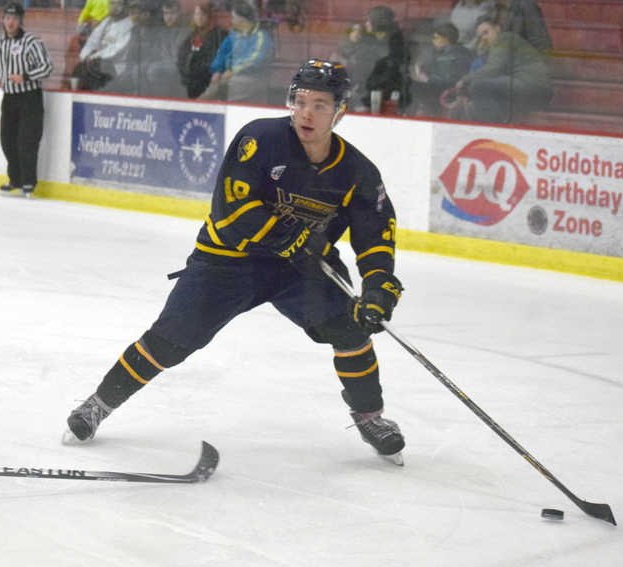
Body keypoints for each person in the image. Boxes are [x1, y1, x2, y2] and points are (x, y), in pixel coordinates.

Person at [64, 59, 407, 464]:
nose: (306, 113)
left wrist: (379, 286)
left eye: (319, 104)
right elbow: (232, 208)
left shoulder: (358, 172)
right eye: (299, 101)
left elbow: (375, 235)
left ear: (340, 111)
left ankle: (371, 417)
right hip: (229, 259)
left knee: (351, 328)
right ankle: (99, 403)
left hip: (301, 268)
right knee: (171, 340)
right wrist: (288, 237)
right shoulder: (260, 139)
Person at [0, 2, 53, 197]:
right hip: (9, 97)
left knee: (27, 141)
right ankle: (15, 179)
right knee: (7, 140)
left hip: (29, 98)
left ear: (21, 21)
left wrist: (25, 76)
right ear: (2, 20)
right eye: (7, 18)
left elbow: (47, 67)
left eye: (15, 18)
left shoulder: (32, 42)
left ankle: (28, 182)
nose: (10, 22)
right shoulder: (0, 43)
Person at [455, 16, 551, 123]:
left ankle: (494, 126)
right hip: (529, 87)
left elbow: (494, 68)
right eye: (480, 36)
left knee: (479, 86)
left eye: (486, 32)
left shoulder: (504, 38)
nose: (484, 38)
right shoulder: (498, 45)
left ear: (497, 28)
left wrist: (465, 80)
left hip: (533, 87)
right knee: (480, 89)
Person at [198, 1, 273, 103]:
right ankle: (198, 106)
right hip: (230, 76)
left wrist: (233, 71)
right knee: (211, 82)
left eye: (233, 17)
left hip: (253, 77)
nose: (231, 20)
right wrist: (218, 70)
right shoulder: (233, 36)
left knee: (231, 85)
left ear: (242, 19)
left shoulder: (261, 37)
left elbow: (256, 60)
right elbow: (222, 53)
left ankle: (219, 107)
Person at [409, 22, 473, 117]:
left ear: (446, 39)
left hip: (446, 92)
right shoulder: (440, 53)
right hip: (435, 88)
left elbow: (452, 81)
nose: (433, 41)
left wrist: (427, 79)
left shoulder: (459, 55)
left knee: (411, 88)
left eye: (436, 38)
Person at [73, 0, 135, 92]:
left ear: (125, 6)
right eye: (111, 2)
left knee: (95, 66)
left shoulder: (130, 25)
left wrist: (94, 56)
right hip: (95, 63)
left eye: (117, 3)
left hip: (115, 68)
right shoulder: (106, 21)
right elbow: (92, 40)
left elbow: (116, 50)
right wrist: (86, 55)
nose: (112, 6)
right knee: (79, 68)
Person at [177, 0, 228, 99]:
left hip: (206, 76)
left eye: (202, 15)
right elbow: (182, 53)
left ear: (208, 16)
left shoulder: (218, 33)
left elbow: (217, 57)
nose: (199, 18)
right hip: (190, 76)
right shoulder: (193, 34)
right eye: (196, 15)